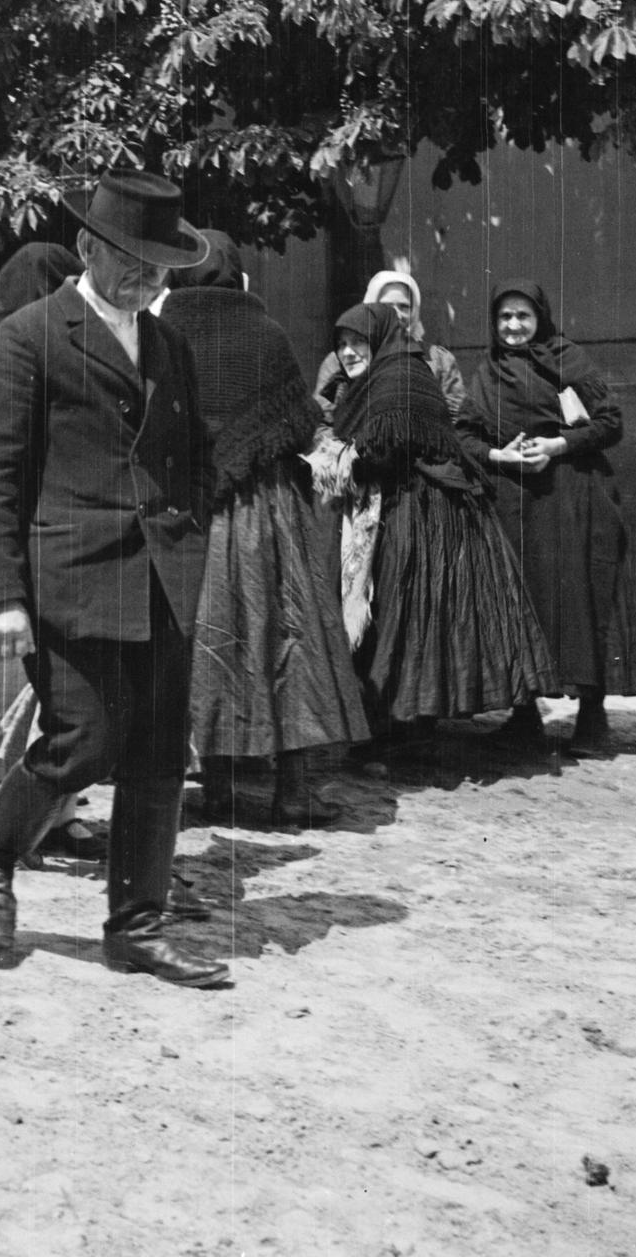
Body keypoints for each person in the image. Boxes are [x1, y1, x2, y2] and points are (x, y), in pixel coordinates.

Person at [0, 170, 229, 988]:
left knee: (156, 758)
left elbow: (196, 455)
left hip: (160, 579)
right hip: (70, 579)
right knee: (85, 739)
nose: (146, 279)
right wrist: (1, 598)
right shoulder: (31, 336)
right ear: (86, 246)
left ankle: (136, 926)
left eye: (159, 267)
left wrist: (188, 530)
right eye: (132, 261)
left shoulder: (169, 344)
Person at [158, 232, 369, 826]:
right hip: (267, 508)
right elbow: (300, 422)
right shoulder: (267, 333)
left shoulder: (160, 334)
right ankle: (293, 792)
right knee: (289, 633)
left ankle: (217, 788)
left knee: (206, 639)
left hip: (193, 513)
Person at [309, 302, 557, 744]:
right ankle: (402, 723)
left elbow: (385, 452)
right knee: (411, 617)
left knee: (415, 615)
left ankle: (408, 730)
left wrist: (337, 464)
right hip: (406, 504)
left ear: (380, 339)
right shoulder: (374, 379)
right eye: (341, 344)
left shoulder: (400, 377)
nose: (347, 352)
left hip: (427, 510)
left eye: (358, 342)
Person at [456, 279, 636, 755]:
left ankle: (592, 719)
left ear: (541, 317)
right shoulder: (488, 371)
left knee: (582, 600)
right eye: (505, 317)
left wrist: (559, 445)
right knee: (521, 602)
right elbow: (464, 436)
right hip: (516, 506)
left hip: (574, 499)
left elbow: (610, 422)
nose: (513, 326)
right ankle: (524, 717)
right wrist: (499, 455)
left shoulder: (567, 359)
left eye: (523, 316)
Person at [0, 243, 101, 859]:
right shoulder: (14, 348)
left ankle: (60, 814)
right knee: (5, 685)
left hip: (66, 537)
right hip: (16, 543)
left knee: (66, 693)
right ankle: (2, 814)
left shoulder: (78, 346)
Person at [315, 268, 466, 417]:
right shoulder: (340, 361)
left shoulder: (439, 360)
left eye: (404, 307)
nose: (396, 314)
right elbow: (322, 422)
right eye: (386, 306)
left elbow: (457, 419)